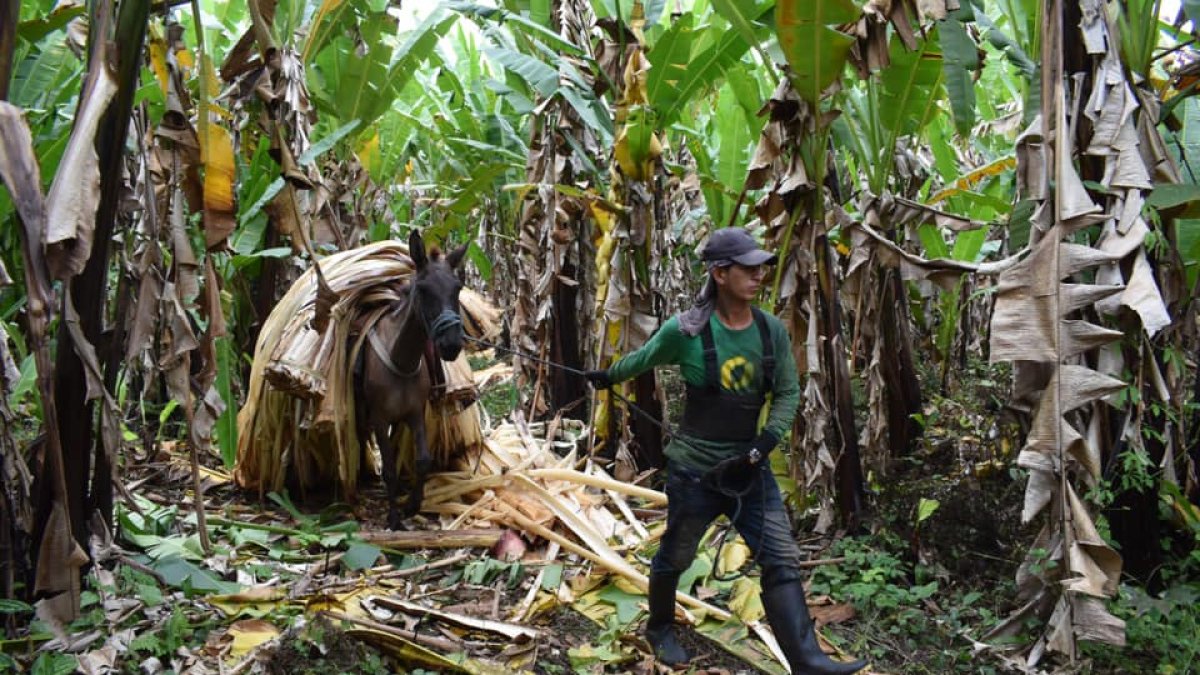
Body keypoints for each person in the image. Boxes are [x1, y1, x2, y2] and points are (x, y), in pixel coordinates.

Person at [585, 227, 866, 674]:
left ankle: (808, 662)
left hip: (749, 471)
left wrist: (763, 446)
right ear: (719, 273)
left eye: (761, 268)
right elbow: (644, 359)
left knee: (781, 557)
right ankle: (659, 628)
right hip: (695, 474)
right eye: (748, 268)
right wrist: (607, 376)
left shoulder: (770, 331)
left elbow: (789, 394)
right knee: (675, 557)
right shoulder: (686, 331)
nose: (759, 275)